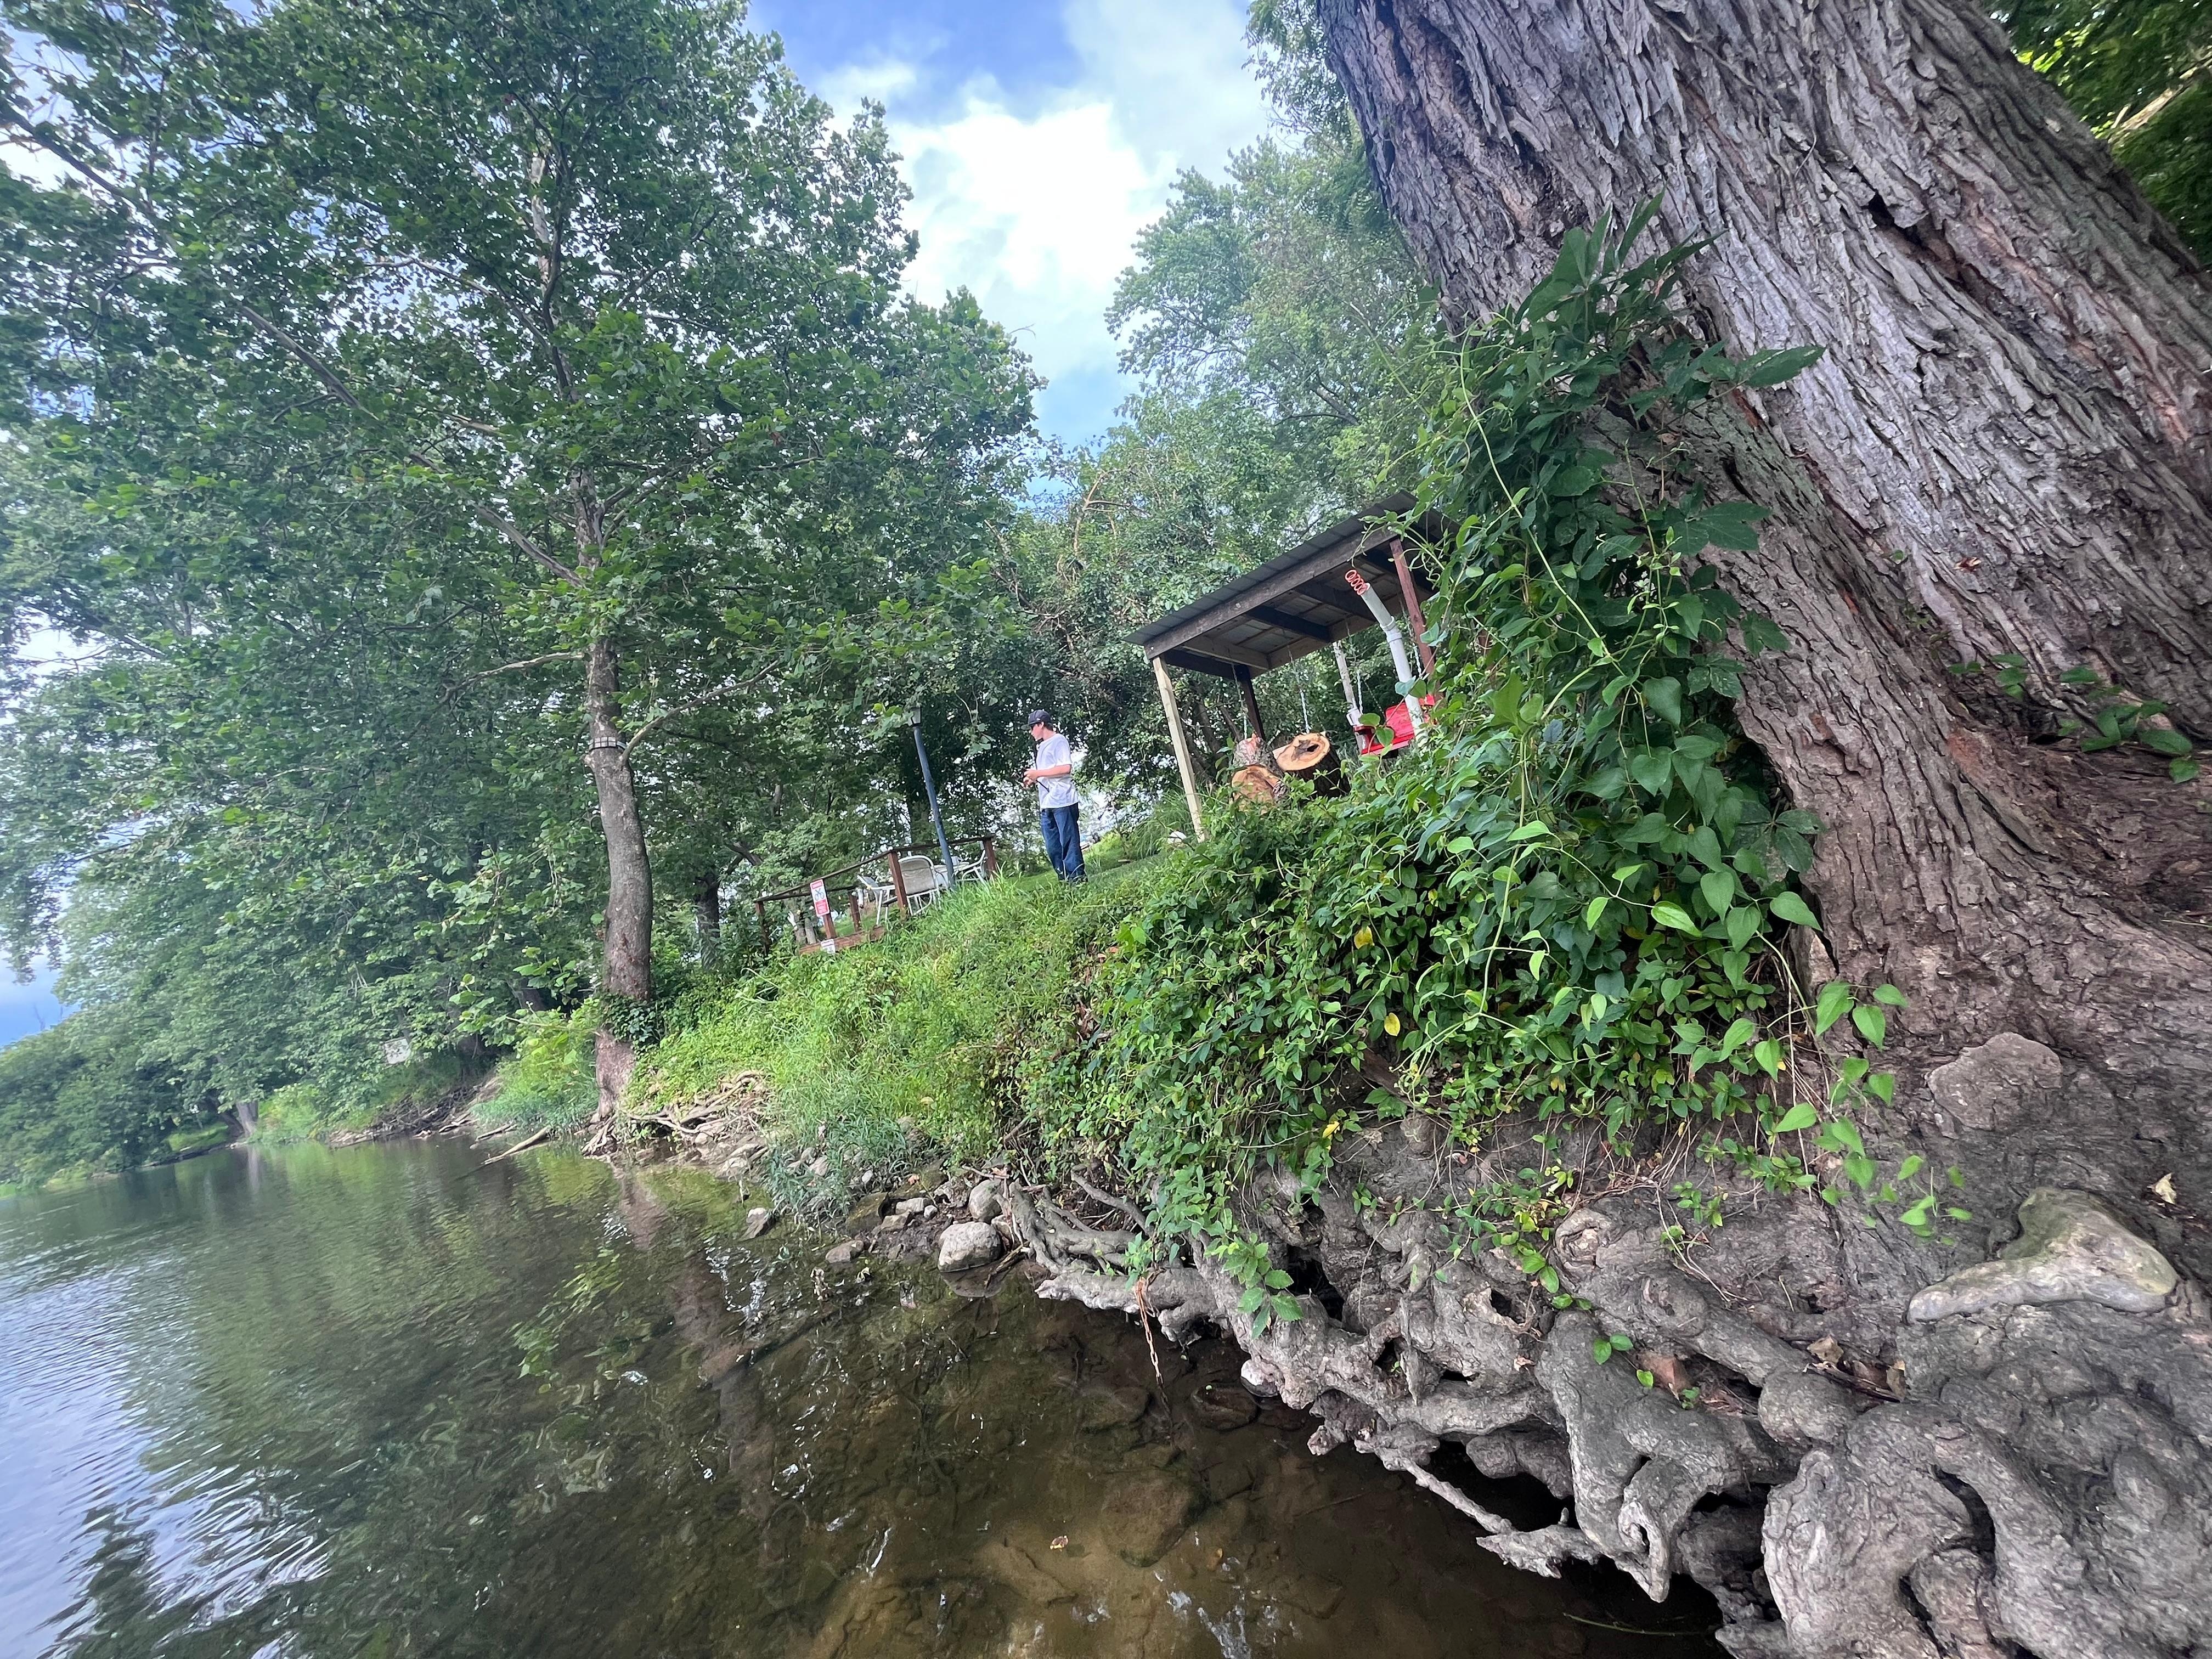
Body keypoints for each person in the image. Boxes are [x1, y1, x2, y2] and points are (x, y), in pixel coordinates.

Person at [1023, 709, 1085, 881]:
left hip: (1063, 801)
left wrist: (1038, 773)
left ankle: (1078, 880)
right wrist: (1034, 779)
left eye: (1032, 727)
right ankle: (1064, 881)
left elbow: (1066, 768)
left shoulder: (1059, 740)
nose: (1031, 732)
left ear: (1041, 724)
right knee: (1053, 848)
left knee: (1069, 844)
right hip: (1047, 803)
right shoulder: (1042, 747)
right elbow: (1047, 773)